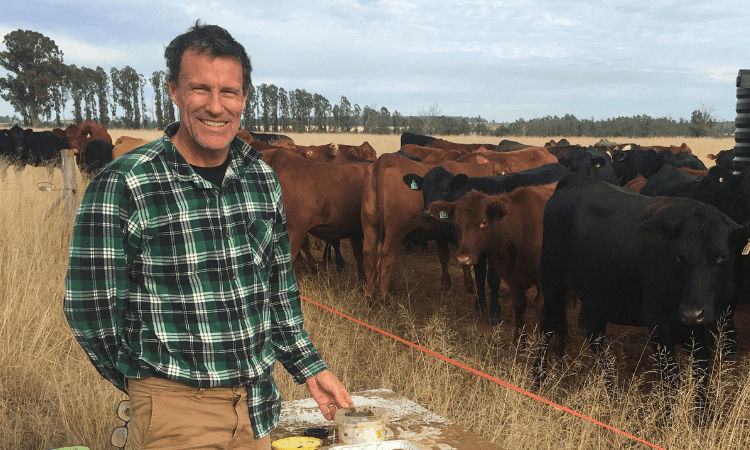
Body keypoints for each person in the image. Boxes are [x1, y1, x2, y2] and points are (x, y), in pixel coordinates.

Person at [64, 20, 352, 450]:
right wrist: (147, 384)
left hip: (257, 407)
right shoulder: (125, 183)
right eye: (200, 89)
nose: (216, 106)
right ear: (175, 92)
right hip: (174, 413)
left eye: (229, 92)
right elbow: (90, 310)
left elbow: (278, 292)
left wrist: (310, 368)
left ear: (244, 98)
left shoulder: (261, 179)